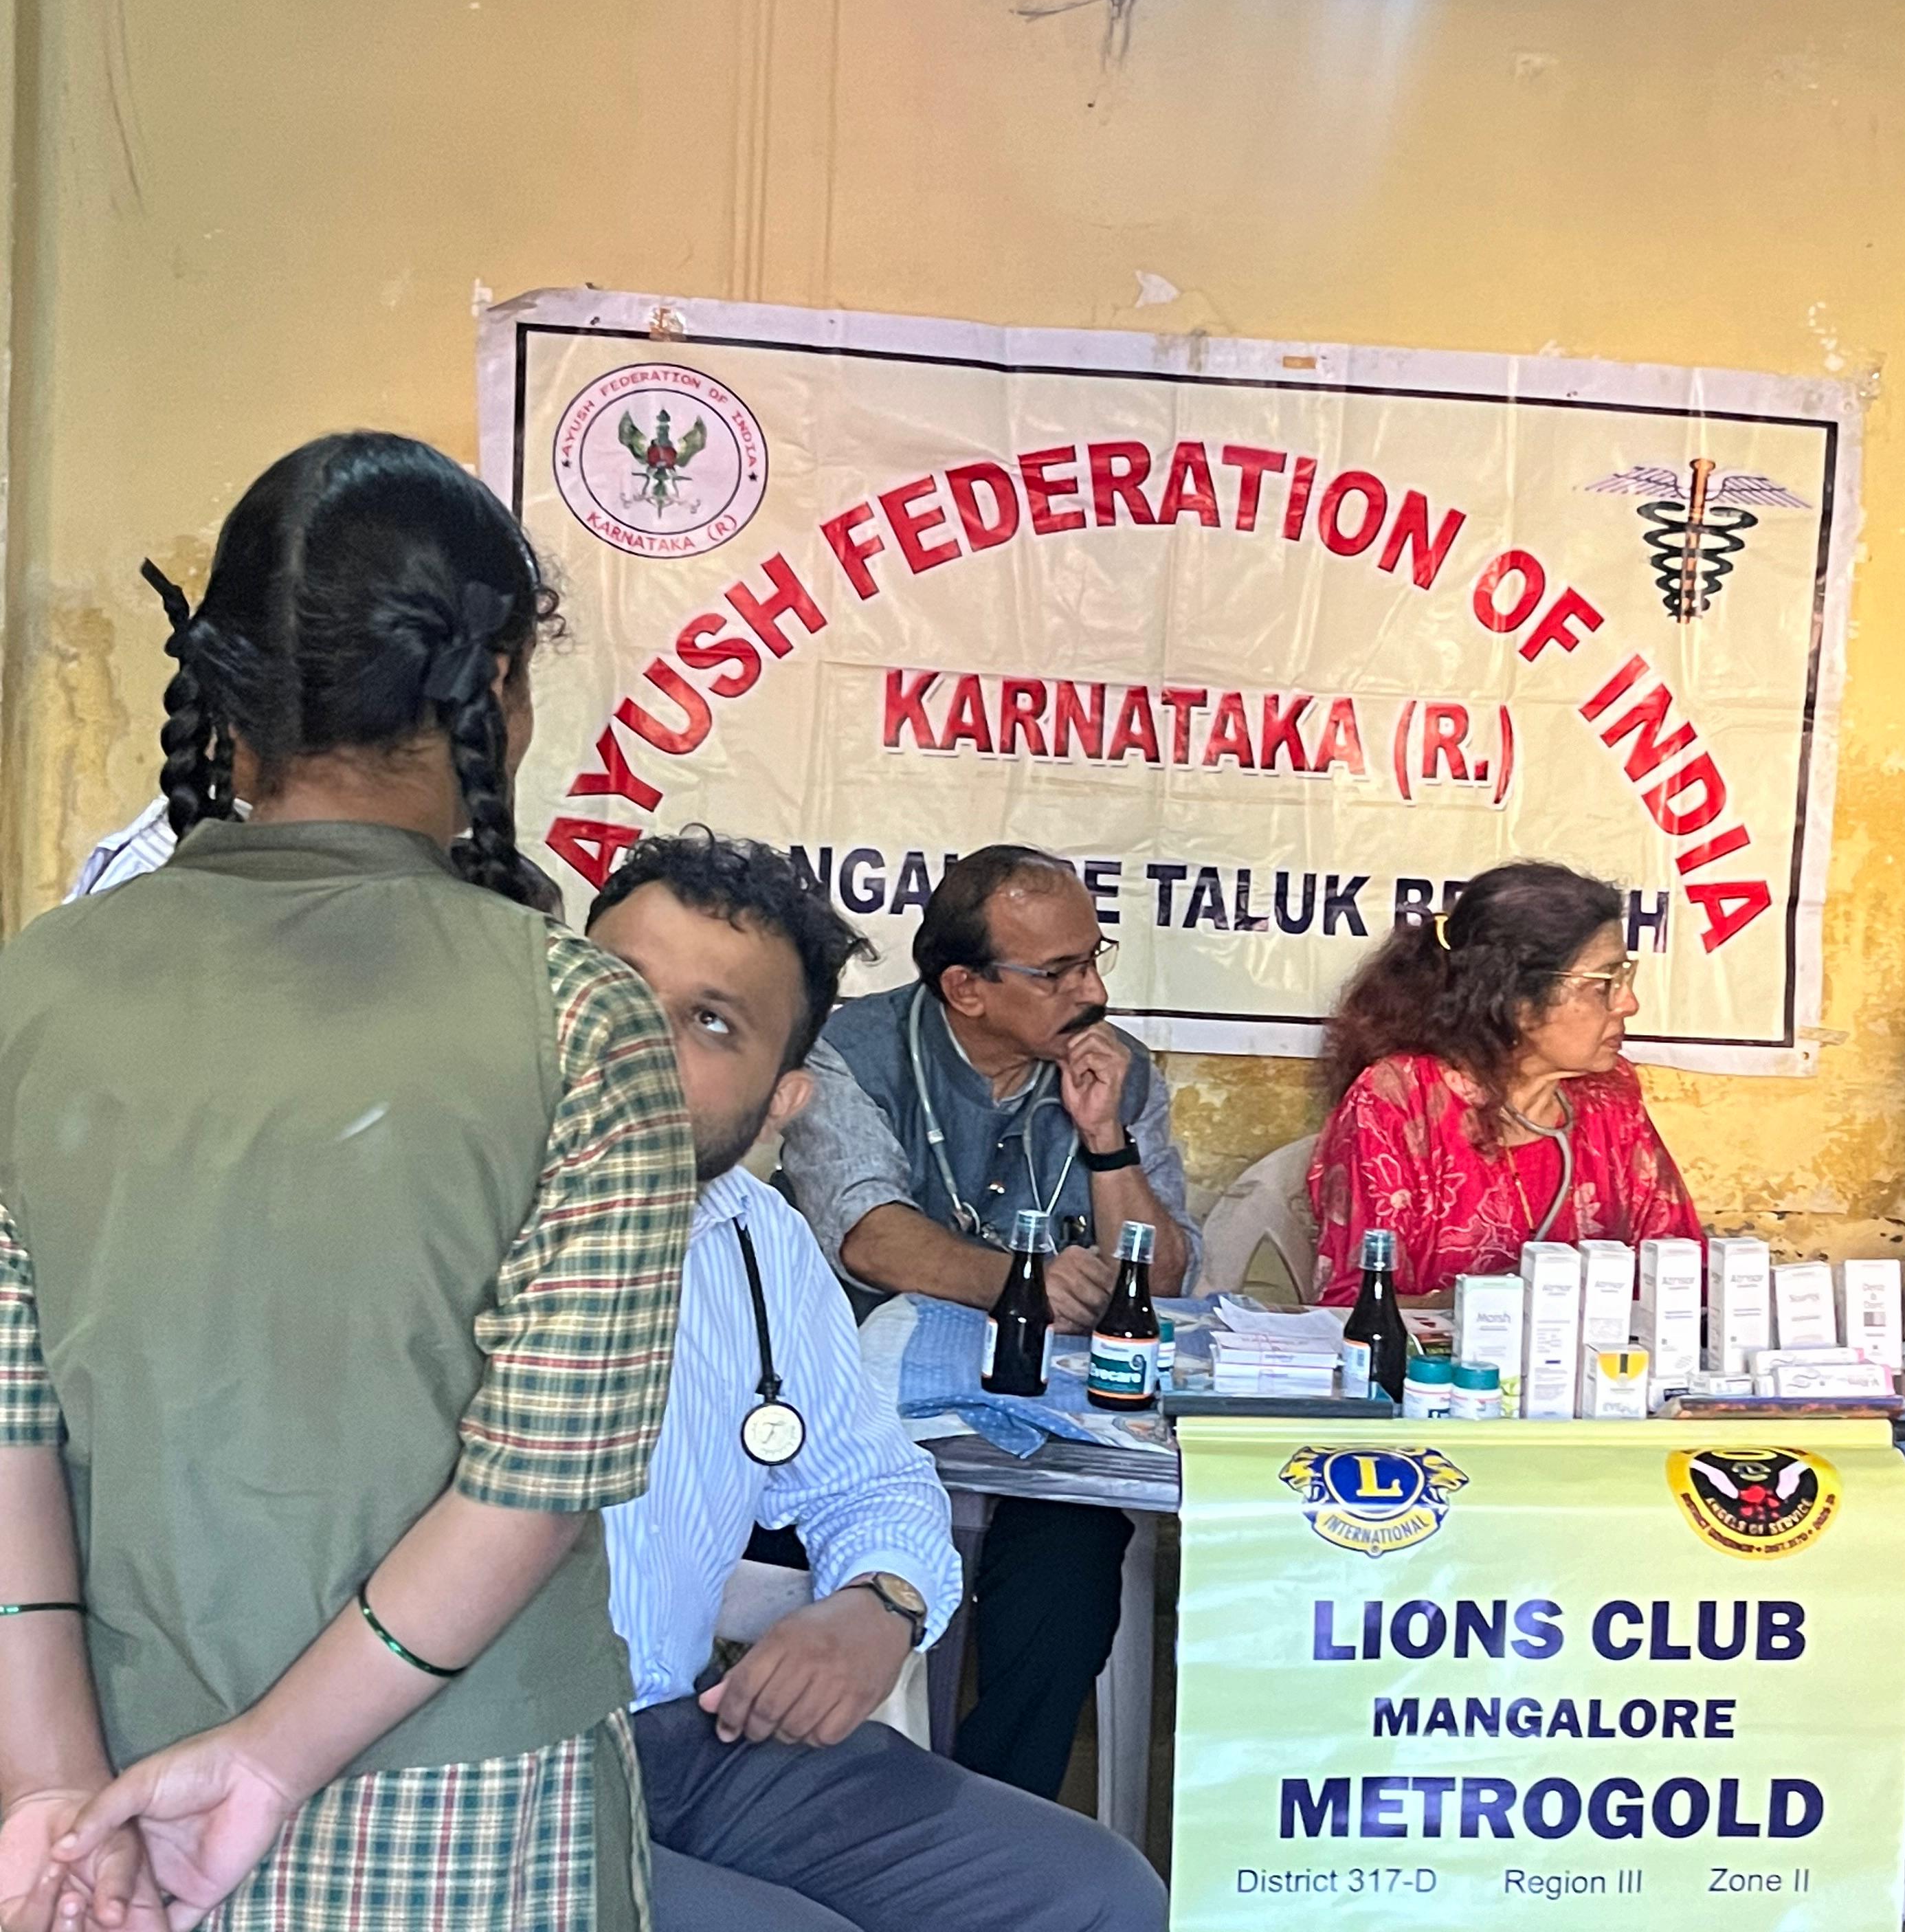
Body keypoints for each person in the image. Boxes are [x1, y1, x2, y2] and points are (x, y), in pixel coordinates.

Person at [0, 433, 696, 1931]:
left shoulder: (28, 991)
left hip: (104, 1809)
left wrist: (49, 1792)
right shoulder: (580, 1019)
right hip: (474, 1805)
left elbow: (8, 1441)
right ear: (494, 686)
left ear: (226, 690)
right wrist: (263, 1762)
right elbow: (532, 1484)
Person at [585, 831, 1168, 1932]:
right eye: (614, 989)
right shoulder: (443, 1204)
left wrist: (879, 1601)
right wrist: (1032, 1282)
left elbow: (872, 1482)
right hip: (482, 1759)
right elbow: (874, 1235)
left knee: (1097, 1896)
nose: (632, 1042)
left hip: (682, 1731)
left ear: (782, 1098)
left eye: (711, 1023)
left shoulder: (756, 1240)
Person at [779, 843, 1198, 1800]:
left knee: (1065, 1581)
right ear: (965, 987)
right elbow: (869, 1237)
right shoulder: (851, 1052)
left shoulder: (1116, 1069)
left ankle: (997, 1822)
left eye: (1094, 959)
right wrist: (1028, 1284)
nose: (1092, 991)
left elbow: (1165, 1278)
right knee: (830, 1572)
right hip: (862, 1416)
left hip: (1046, 1423)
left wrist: (1105, 1140)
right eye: (1059, 972)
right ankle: (851, 1814)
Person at [1306, 860, 1703, 1300]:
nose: (1629, 1003)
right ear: (1514, 998)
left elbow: (1680, 1266)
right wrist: (1494, 1306)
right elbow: (1358, 1303)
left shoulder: (1608, 1096)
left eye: (1625, 977)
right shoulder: (1399, 1100)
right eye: (1605, 983)